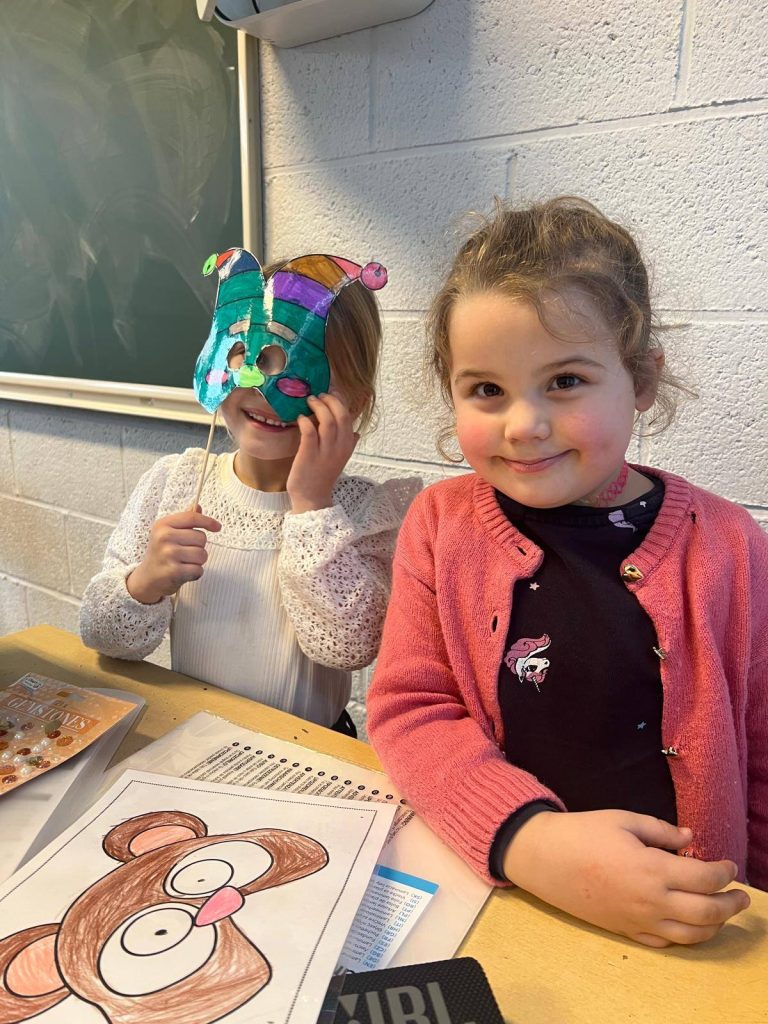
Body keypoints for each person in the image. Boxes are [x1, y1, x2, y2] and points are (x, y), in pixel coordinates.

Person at [367, 197, 768, 945]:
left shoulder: (730, 545)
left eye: (565, 381)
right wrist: (530, 843)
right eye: (487, 390)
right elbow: (411, 709)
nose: (524, 425)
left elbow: (764, 748)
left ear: (641, 379)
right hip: (503, 898)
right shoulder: (439, 525)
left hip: (686, 928)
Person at [80, 256, 420, 735]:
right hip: (194, 740)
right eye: (248, 354)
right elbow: (101, 634)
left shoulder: (365, 512)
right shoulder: (175, 484)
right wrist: (145, 582)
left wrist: (312, 504)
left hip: (307, 750)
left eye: (302, 368)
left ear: (355, 402)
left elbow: (350, 646)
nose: (266, 387)